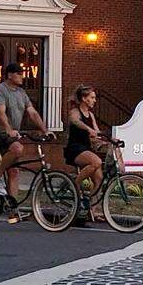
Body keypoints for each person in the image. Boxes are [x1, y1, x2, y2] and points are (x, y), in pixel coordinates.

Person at [0, 63, 52, 221]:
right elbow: (0, 112)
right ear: (10, 75)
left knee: (14, 172)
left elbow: (32, 113)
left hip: (10, 136)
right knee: (18, 149)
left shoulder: (22, 93)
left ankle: (13, 211)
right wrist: (9, 129)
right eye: (19, 73)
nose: (22, 76)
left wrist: (45, 130)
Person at [64, 84, 106, 220]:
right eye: (92, 98)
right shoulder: (75, 112)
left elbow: (96, 132)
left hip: (86, 149)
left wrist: (106, 140)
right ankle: (74, 184)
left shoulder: (91, 115)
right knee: (96, 162)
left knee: (99, 178)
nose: (95, 100)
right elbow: (75, 121)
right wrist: (88, 129)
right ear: (84, 98)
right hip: (75, 149)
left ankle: (91, 210)